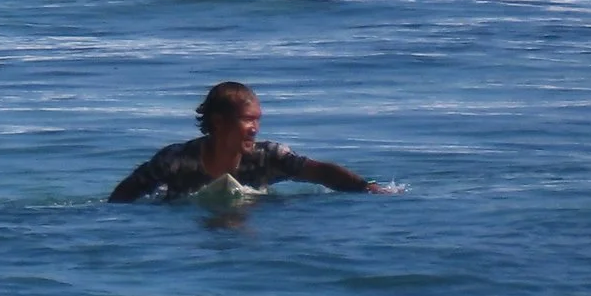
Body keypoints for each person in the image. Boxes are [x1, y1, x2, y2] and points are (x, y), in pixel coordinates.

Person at [109, 81, 393, 201]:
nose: (255, 129)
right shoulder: (176, 161)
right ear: (219, 122)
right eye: (248, 120)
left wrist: (366, 188)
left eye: (258, 120)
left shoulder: (268, 157)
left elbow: (320, 172)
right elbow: (124, 196)